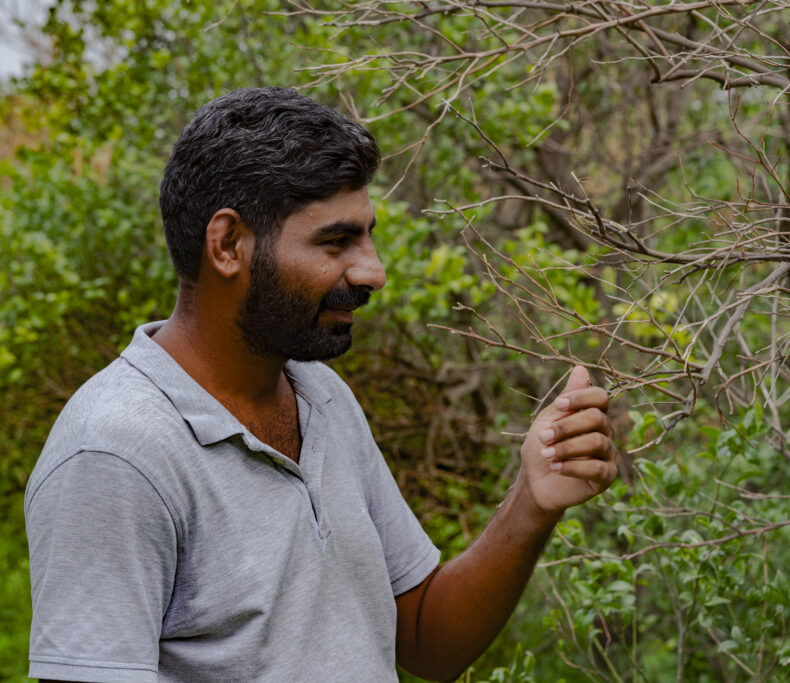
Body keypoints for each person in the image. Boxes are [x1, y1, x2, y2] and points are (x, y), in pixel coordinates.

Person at [25, 86, 619, 682]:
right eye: (335, 242)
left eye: (367, 235)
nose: (373, 271)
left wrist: (531, 500)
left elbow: (423, 639)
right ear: (228, 244)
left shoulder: (322, 396)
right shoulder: (115, 454)